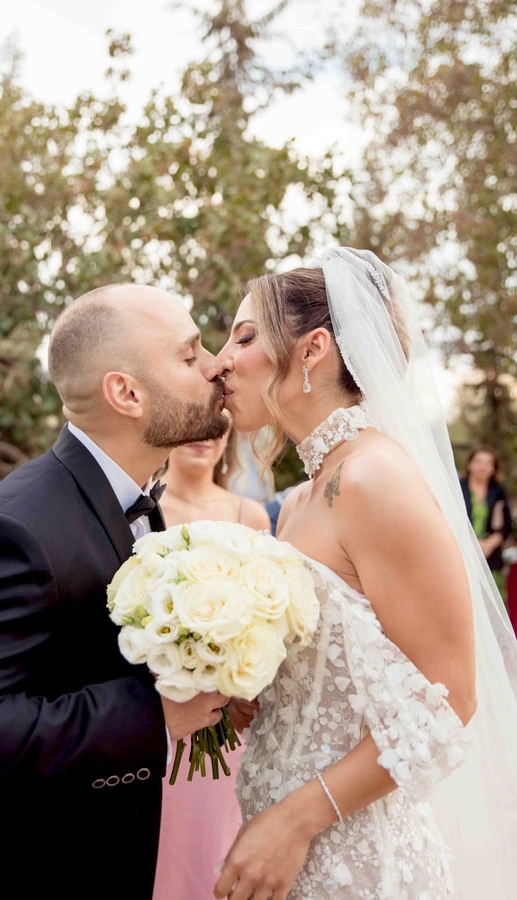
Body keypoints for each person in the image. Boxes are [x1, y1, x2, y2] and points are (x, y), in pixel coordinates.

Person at [213, 248, 517, 899]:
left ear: (312, 348)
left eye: (243, 337)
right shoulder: (301, 498)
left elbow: (450, 700)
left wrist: (295, 823)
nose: (221, 362)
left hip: (353, 861)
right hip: (278, 837)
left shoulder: (374, 478)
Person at [0, 284, 232, 900]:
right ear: (127, 394)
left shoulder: (133, 502)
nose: (216, 365)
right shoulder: (14, 530)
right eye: (190, 355)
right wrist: (155, 715)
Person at [152, 416, 270, 900]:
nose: (205, 437)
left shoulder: (252, 517)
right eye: (197, 426)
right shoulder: (144, 508)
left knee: (215, 850)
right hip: (158, 714)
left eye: (218, 428)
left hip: (227, 723)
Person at [459, 445, 513, 600]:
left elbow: (507, 524)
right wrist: (472, 544)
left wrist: (488, 544)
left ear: (493, 468)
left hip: (490, 556)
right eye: (479, 461)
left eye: (488, 463)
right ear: (469, 464)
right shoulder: (456, 487)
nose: (483, 466)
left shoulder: (498, 491)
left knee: (489, 602)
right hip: (462, 553)